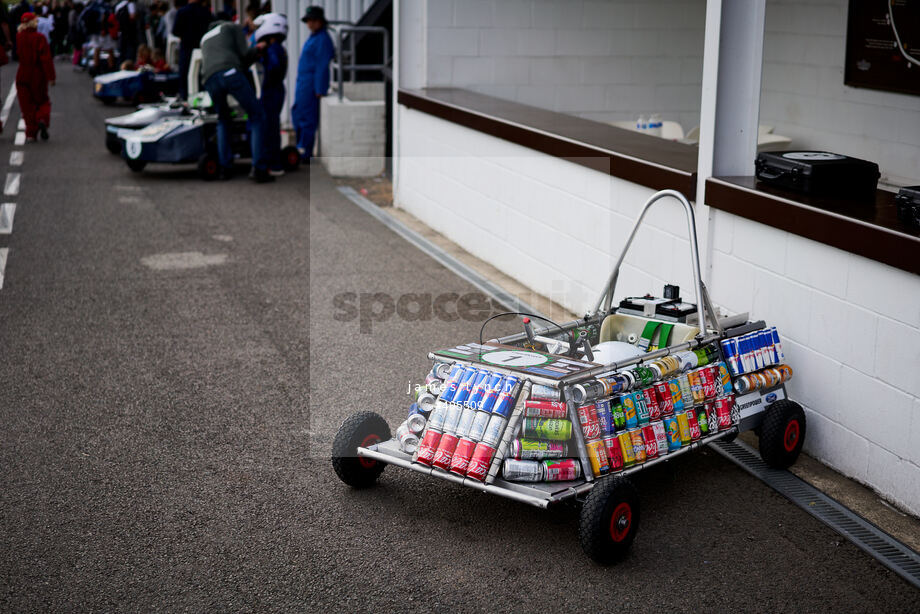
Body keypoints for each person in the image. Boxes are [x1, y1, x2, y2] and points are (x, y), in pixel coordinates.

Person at [199, 18, 270, 182]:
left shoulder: (206, 37)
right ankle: (259, 168)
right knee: (257, 115)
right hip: (229, 73)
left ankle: (225, 168)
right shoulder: (232, 27)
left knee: (223, 119)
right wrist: (259, 48)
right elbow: (245, 55)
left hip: (209, 79)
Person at [292, 6, 333, 163]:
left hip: (310, 83)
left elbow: (322, 66)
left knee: (308, 118)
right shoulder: (315, 37)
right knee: (298, 113)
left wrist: (319, 88)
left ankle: (305, 151)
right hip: (304, 82)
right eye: (308, 21)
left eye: (312, 21)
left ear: (319, 21)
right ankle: (301, 147)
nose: (309, 24)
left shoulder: (322, 39)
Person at [253, 12, 286, 175]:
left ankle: (274, 164)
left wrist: (262, 56)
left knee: (270, 128)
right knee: (270, 126)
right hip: (274, 90)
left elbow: (273, 68)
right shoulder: (277, 48)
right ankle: (273, 161)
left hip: (272, 91)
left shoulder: (273, 49)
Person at [16, 11, 55, 142]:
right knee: (42, 100)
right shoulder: (39, 38)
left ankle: (31, 132)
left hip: (22, 72)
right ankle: (42, 119)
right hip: (37, 74)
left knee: (26, 105)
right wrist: (51, 77)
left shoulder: (19, 37)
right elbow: (46, 59)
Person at [172, 0, 211, 99]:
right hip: (201, 47)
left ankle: (185, 98)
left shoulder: (182, 11)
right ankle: (201, 98)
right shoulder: (205, 11)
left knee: (185, 74)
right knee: (200, 75)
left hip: (186, 46)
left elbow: (175, 31)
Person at [114, 1, 137, 69]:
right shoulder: (131, 4)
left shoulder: (119, 5)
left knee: (121, 52)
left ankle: (120, 67)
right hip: (129, 32)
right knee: (130, 52)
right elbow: (132, 16)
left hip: (121, 32)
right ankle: (128, 67)